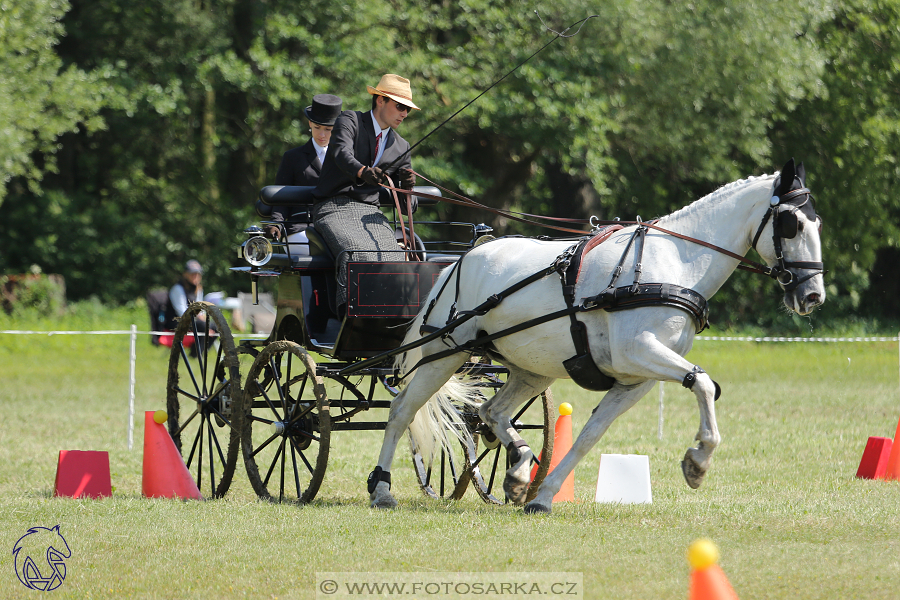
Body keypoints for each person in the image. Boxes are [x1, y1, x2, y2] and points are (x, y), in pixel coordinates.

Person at [312, 74, 420, 315]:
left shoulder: (401, 146)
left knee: (394, 257)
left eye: (408, 111)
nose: (404, 114)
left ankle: (392, 316)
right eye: (400, 107)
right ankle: (350, 314)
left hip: (370, 213)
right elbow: (341, 153)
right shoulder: (350, 120)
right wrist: (362, 172)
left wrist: (408, 186)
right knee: (356, 252)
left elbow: (405, 209)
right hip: (333, 206)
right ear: (380, 100)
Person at [268, 94, 343, 254]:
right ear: (310, 123)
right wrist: (276, 224)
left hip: (337, 226)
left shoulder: (345, 159)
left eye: (328, 130)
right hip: (302, 226)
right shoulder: (292, 158)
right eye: (317, 128)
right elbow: (281, 197)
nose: (322, 135)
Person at [160, 259, 206, 348]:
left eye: (197, 274)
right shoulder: (177, 288)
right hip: (177, 321)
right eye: (193, 274)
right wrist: (199, 318)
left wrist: (202, 317)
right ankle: (196, 354)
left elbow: (200, 308)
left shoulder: (199, 289)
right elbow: (181, 311)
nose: (195, 276)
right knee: (203, 326)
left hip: (192, 320)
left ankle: (196, 354)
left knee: (213, 326)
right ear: (185, 274)